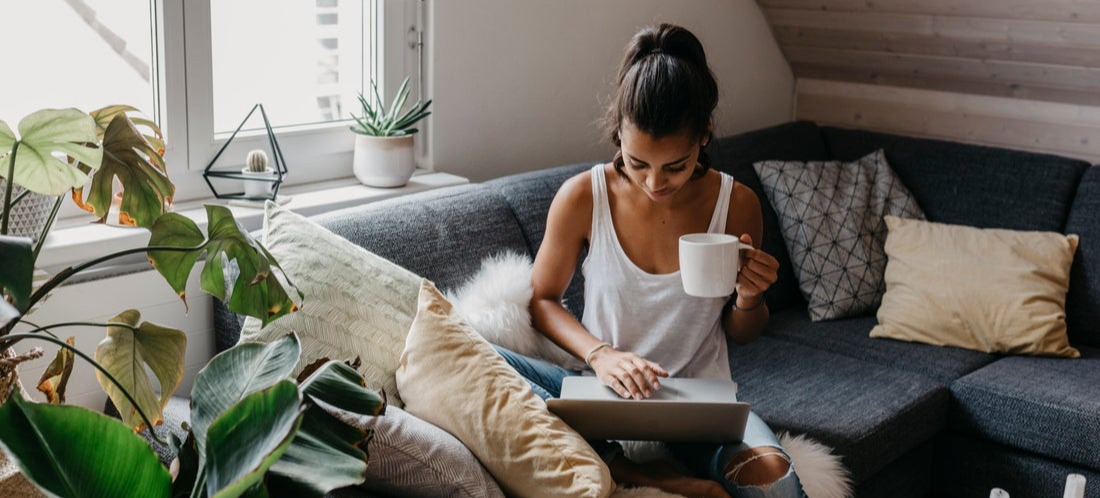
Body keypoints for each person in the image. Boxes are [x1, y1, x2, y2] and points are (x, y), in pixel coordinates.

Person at [493, 23, 805, 498]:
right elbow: (543, 301)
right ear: (619, 133)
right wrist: (601, 355)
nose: (654, 183)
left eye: (674, 166)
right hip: (603, 400)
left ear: (704, 136)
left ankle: (634, 464)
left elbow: (743, 332)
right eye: (638, 163)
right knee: (482, 357)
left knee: (776, 486)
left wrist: (749, 297)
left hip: (701, 408)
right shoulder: (583, 197)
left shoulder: (736, 204)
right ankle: (632, 469)